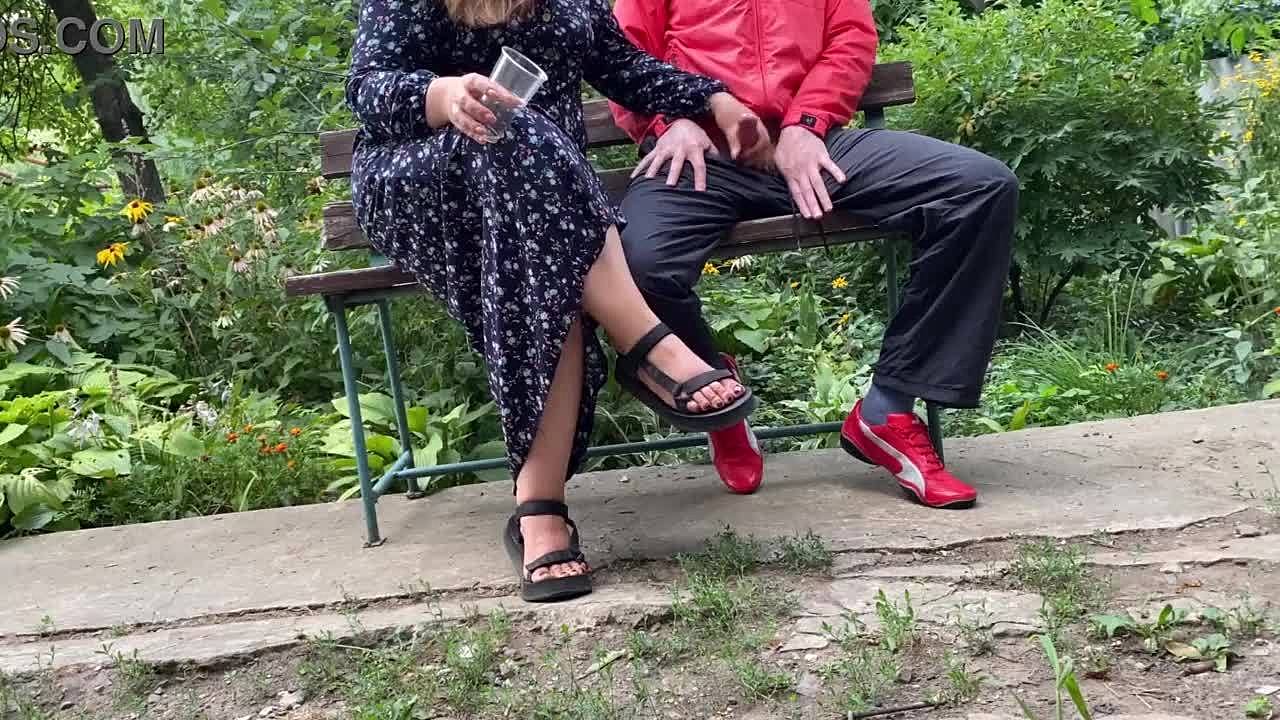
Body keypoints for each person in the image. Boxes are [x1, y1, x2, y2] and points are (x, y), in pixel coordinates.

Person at [346, 0, 767, 602]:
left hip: (544, 196)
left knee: (550, 260)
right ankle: (646, 344)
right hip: (427, 179)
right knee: (522, 140)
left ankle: (540, 512)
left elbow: (624, 67)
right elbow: (367, 87)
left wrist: (713, 99)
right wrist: (445, 95)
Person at [610, 0, 1018, 506]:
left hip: (812, 144)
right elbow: (623, 51)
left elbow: (849, 38)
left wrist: (807, 123)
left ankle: (886, 411)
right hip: (699, 156)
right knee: (637, 262)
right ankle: (712, 387)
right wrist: (669, 121)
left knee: (979, 188)